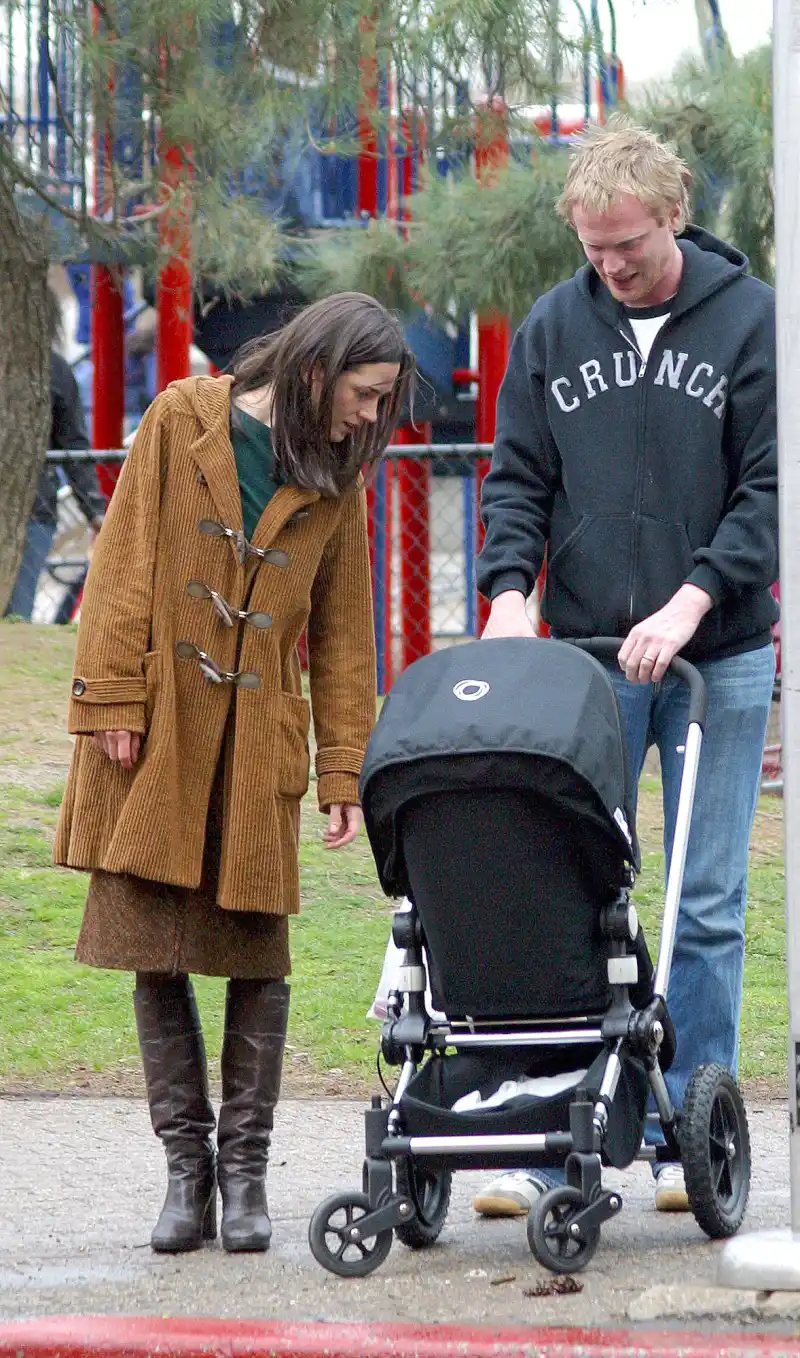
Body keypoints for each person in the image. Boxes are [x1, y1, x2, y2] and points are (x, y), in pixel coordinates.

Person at [54, 292, 415, 1254]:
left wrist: (344, 770)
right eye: (366, 394)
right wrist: (113, 703)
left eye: (384, 401)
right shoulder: (181, 419)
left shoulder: (340, 481)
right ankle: (188, 1176)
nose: (372, 417)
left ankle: (247, 1179)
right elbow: (123, 561)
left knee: (258, 953)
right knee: (153, 942)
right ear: (313, 370)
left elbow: (345, 640)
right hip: (156, 726)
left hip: (258, 741)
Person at [472, 117, 777, 1217]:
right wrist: (510, 591)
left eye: (629, 246)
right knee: (574, 895)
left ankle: (685, 1131)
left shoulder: (750, 323)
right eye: (594, 247)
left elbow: (767, 488)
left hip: (717, 656)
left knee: (706, 904)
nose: (610, 265)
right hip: (590, 656)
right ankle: (559, 1130)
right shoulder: (554, 328)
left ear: (672, 218)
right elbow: (514, 477)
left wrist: (693, 596)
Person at [5, 294, 105, 621]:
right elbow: (75, 446)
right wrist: (94, 511)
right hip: (34, 504)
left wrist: (94, 509)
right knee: (16, 612)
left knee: (16, 612)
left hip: (33, 505)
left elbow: (74, 447)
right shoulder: (55, 369)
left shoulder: (56, 370)